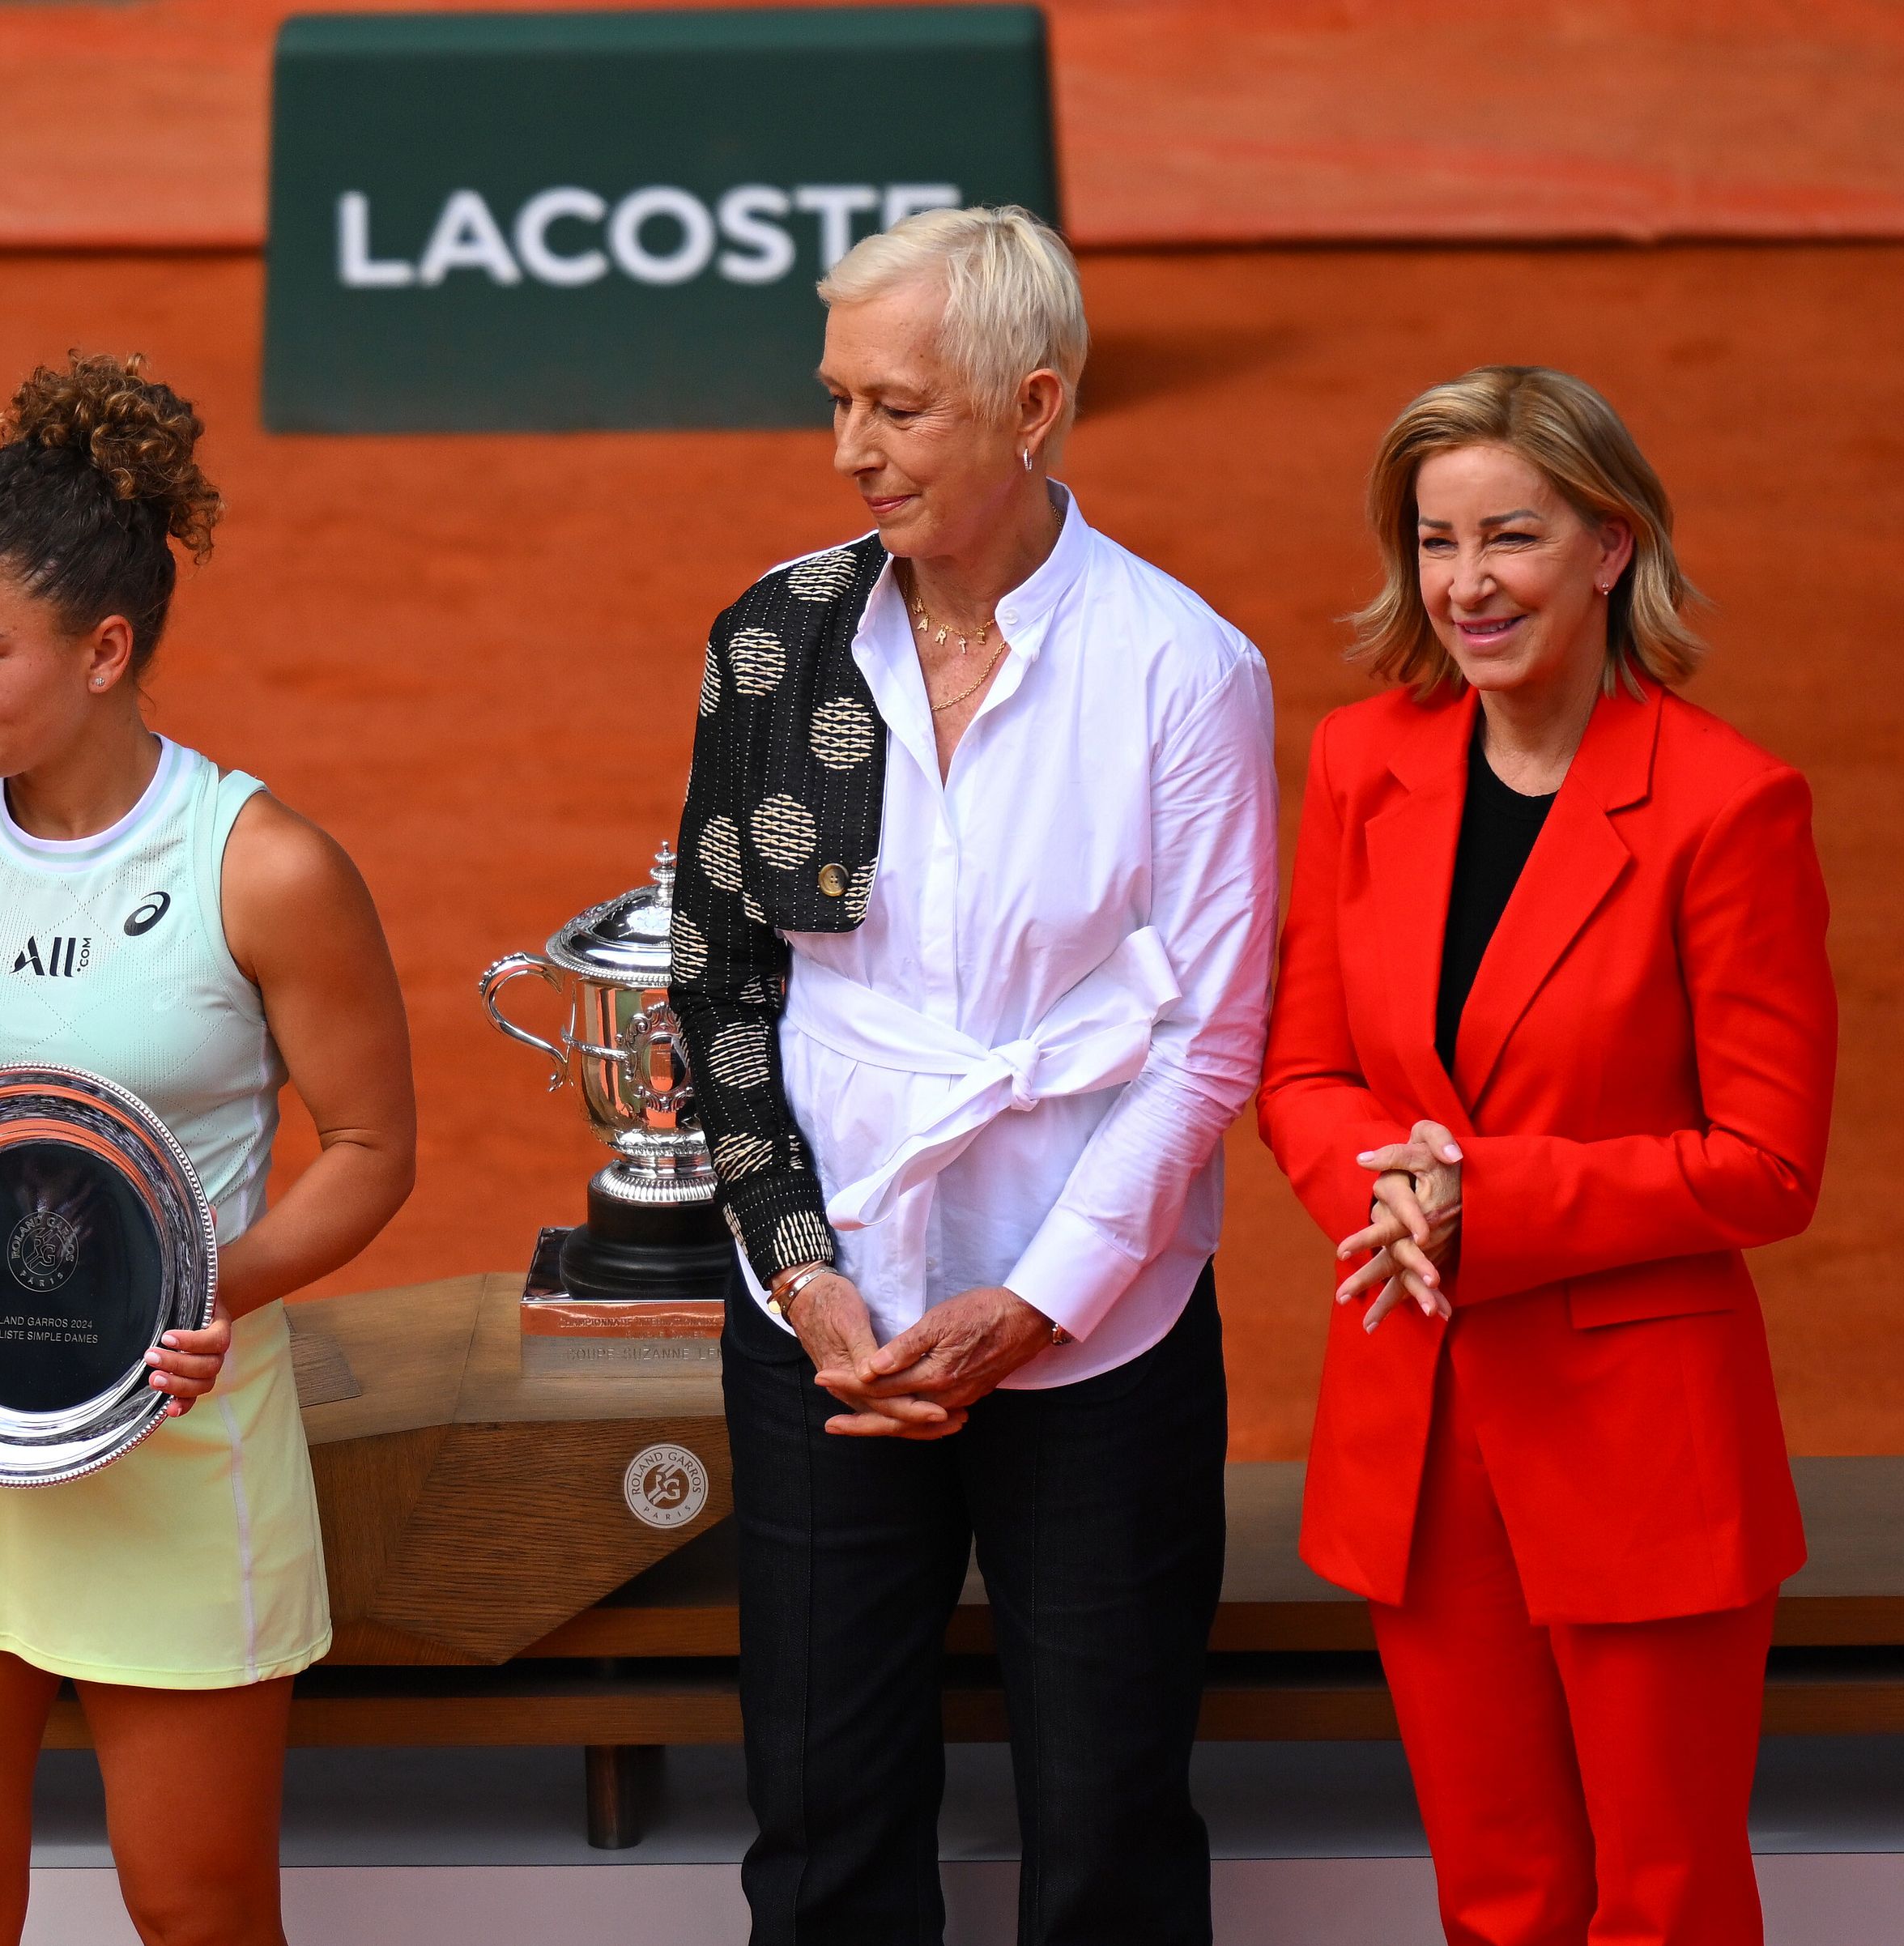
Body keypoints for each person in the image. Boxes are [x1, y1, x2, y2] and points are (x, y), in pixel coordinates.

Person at [667, 203, 1277, 1944]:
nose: (852, 450)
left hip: (1096, 1330)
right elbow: (719, 971)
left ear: (1028, 406)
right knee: (820, 1813)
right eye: (836, 400)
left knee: (1103, 1817)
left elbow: (1204, 1038)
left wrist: (1039, 1298)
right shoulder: (772, 640)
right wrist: (797, 1267)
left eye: (899, 407)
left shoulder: (1179, 668)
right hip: (825, 1310)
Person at [0, 352, 416, 1945]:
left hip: (176, 1435)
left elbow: (366, 1144)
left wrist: (204, 1293)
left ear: (105, 648)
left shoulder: (261, 866)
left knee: (195, 1908)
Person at [1259, 367, 1830, 1946]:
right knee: (1496, 1895)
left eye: (1506, 534)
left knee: (1660, 1900)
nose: (1463, 582)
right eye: (1433, 539)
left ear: (1607, 544)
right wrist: (1383, 1189)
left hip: (1639, 1445)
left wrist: (1479, 1195)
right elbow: (1299, 1065)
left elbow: (1765, 1160)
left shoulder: (1727, 805)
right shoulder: (1364, 762)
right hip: (1418, 1430)